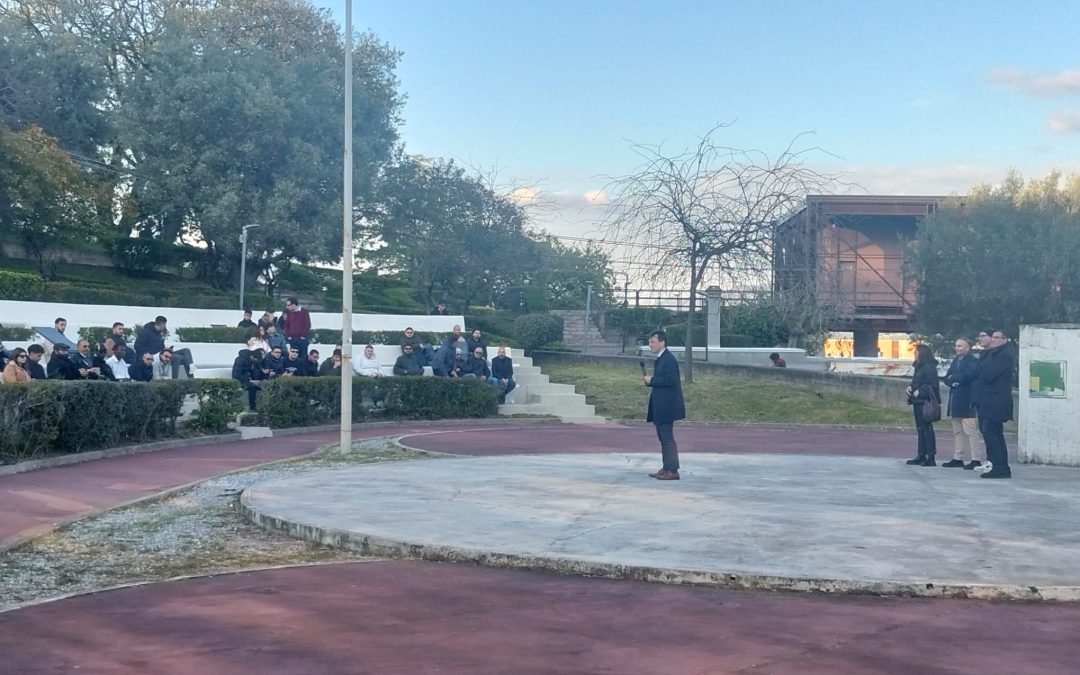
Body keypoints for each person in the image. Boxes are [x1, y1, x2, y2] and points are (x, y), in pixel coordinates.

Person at [643, 329, 685, 480]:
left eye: (652, 342)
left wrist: (653, 380)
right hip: (661, 405)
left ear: (662, 342)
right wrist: (651, 381)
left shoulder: (669, 359)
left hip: (668, 406)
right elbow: (663, 380)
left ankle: (673, 470)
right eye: (649, 342)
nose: (650, 345)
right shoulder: (662, 358)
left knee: (667, 438)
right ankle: (667, 467)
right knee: (663, 437)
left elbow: (671, 381)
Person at [941, 337, 985, 470]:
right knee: (957, 431)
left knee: (971, 431)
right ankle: (957, 457)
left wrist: (954, 379)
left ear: (968, 347)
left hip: (968, 402)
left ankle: (976, 459)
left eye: (960, 346)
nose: (957, 348)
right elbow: (947, 377)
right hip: (955, 401)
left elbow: (968, 376)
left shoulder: (973, 361)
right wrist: (953, 380)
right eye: (956, 345)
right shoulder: (955, 361)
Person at [977, 329, 1015, 479]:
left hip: (997, 399)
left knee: (991, 431)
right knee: (992, 431)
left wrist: (983, 370)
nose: (994, 340)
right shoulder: (992, 354)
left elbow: (987, 375)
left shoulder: (1004, 355)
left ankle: (1000, 466)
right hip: (991, 399)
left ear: (1005, 340)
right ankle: (998, 464)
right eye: (993, 337)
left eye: (998, 338)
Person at [905, 344, 940, 467]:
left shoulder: (929, 367)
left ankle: (930, 456)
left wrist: (921, 391)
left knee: (926, 429)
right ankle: (921, 455)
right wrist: (910, 387)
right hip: (917, 401)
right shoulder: (919, 367)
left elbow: (933, 384)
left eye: (916, 352)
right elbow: (917, 381)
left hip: (925, 401)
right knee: (921, 429)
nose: (915, 353)